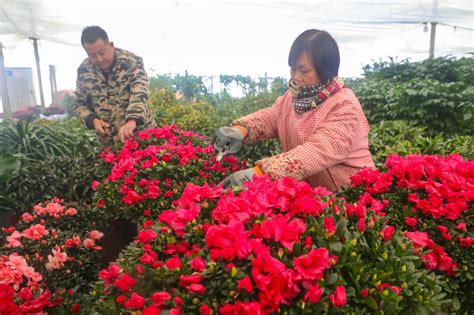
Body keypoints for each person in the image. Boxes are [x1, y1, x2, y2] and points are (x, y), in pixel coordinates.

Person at [212, 29, 375, 192]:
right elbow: (272, 117)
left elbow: (319, 150)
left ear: (325, 70)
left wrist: (259, 173)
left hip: (351, 197)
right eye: (293, 69)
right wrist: (241, 130)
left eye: (304, 71)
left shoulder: (344, 104)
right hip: (314, 198)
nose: (296, 77)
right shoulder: (293, 97)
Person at [72, 26, 154, 146]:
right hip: (109, 143)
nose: (99, 59)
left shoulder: (131, 62)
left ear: (111, 45)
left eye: (102, 52)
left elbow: (140, 92)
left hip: (139, 136)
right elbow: (78, 104)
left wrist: (132, 120)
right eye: (92, 55)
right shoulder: (84, 71)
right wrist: (93, 120)